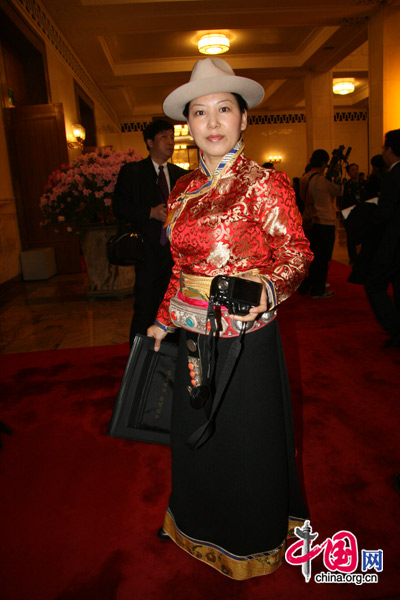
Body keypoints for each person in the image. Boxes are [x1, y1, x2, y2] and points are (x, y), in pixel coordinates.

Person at [147, 57, 313, 580]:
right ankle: (194, 523)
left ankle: (252, 537)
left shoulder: (267, 184)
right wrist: (161, 320)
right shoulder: (181, 192)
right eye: (200, 112)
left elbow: (297, 254)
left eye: (224, 109)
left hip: (246, 340)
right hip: (192, 334)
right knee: (196, 436)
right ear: (188, 126)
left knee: (245, 441)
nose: (213, 121)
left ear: (244, 120)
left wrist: (269, 287)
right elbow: (179, 266)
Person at [113, 120, 187, 345]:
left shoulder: (182, 176)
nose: (171, 142)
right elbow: (119, 207)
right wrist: (149, 212)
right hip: (147, 254)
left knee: (176, 310)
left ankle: (173, 359)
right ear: (149, 142)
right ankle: (139, 359)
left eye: (172, 138)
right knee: (145, 308)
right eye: (164, 137)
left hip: (177, 257)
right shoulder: (132, 172)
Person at [364, 129, 400, 348]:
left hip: (393, 244)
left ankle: (395, 327)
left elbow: (385, 213)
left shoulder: (394, 175)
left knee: (374, 284)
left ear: (390, 150)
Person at [298, 149, 342, 298]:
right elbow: (338, 191)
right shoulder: (323, 181)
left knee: (312, 256)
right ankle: (318, 289)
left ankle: (307, 285)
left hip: (309, 222)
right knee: (323, 258)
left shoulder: (305, 178)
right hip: (325, 222)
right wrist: (337, 176)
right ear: (324, 163)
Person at [340, 163, 367, 264]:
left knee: (364, 236)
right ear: (349, 173)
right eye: (352, 170)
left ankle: (364, 256)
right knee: (351, 237)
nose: (355, 172)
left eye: (356, 169)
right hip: (351, 214)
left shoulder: (364, 183)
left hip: (363, 213)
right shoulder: (346, 186)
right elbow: (343, 201)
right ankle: (353, 258)